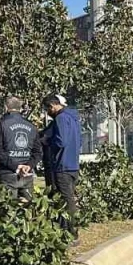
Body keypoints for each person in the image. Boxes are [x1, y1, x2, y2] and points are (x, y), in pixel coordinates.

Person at [41, 93, 81, 236]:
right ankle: (66, 228)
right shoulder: (73, 118)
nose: (47, 112)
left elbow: (61, 141)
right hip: (73, 165)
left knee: (65, 199)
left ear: (52, 106)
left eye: (47, 109)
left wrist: (47, 142)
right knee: (68, 197)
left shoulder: (61, 119)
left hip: (62, 166)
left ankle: (71, 231)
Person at [0, 96, 41, 202]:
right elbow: (37, 152)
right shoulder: (31, 126)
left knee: (6, 212)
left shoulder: (1, 123)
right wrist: (28, 166)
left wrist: (16, 167)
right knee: (28, 211)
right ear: (20, 108)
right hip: (27, 175)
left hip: (7, 174)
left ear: (5, 107)